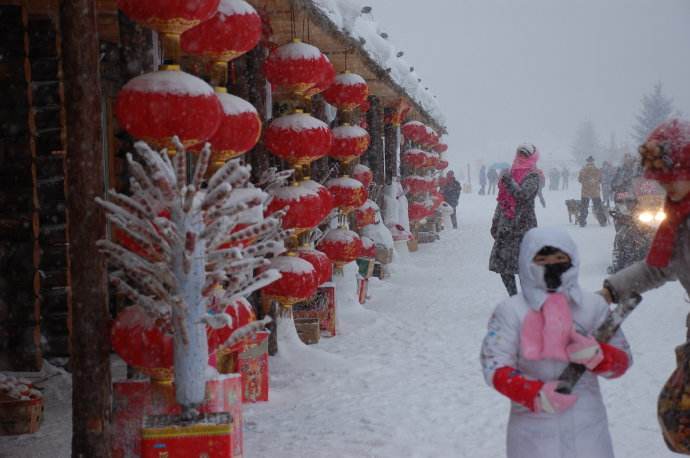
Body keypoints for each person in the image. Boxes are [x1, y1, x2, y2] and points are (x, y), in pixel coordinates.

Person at [481, 227, 631, 458]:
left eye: (560, 258)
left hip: (588, 428)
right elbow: (494, 365)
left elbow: (623, 361)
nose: (552, 265)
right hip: (532, 430)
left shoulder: (592, 307)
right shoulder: (511, 311)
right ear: (527, 262)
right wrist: (531, 393)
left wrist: (599, 356)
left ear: (572, 258)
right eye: (541, 259)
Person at [598, 119, 690, 452]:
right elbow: (660, 267)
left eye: (670, 179)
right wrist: (612, 290)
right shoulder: (679, 215)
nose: (665, 188)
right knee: (677, 417)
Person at [490, 144, 541, 296]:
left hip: (523, 226)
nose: (521, 157)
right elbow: (502, 200)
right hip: (506, 226)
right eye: (519, 153)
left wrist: (509, 181)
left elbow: (523, 196)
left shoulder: (533, 175)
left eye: (524, 155)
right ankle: (513, 296)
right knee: (503, 266)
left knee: (524, 267)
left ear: (532, 157)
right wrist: (495, 221)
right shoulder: (510, 172)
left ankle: (528, 297)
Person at [577, 157, 607, 227]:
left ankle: (582, 222)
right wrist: (594, 182)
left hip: (585, 191)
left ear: (587, 162)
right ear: (593, 162)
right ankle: (602, 221)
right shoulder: (597, 170)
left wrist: (586, 182)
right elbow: (600, 180)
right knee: (598, 207)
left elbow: (579, 180)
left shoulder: (583, 170)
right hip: (595, 191)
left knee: (584, 207)